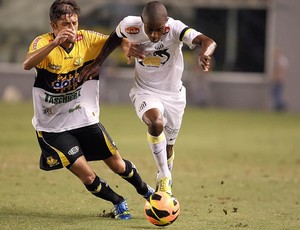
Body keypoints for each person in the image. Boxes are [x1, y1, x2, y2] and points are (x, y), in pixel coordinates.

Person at [23, 0, 154, 220]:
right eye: (65, 24)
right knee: (85, 173)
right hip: (53, 128)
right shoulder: (43, 43)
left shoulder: (87, 39)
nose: (71, 28)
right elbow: (27, 64)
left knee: (118, 164)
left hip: (84, 119)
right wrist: (54, 44)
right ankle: (118, 202)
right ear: (53, 26)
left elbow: (116, 39)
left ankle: (146, 191)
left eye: (74, 22)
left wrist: (125, 46)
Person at [80, 1, 217, 195]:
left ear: (165, 24)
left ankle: (165, 172)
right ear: (142, 22)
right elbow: (115, 37)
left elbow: (208, 41)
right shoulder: (130, 25)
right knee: (155, 123)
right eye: (149, 29)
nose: (153, 35)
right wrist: (98, 63)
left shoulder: (176, 28)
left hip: (174, 96)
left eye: (158, 30)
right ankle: (164, 177)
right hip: (145, 90)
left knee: (168, 147)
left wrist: (204, 53)